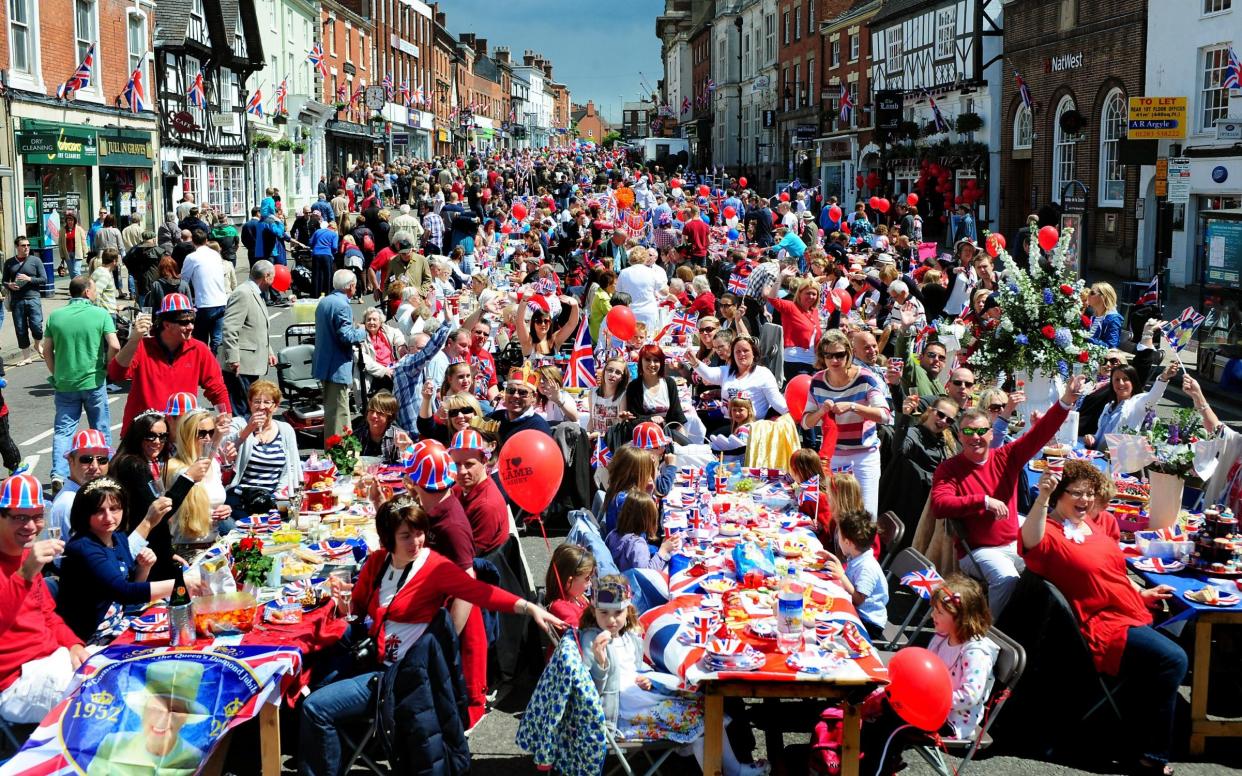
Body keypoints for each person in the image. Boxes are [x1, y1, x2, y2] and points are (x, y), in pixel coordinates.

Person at [299, 499, 562, 776]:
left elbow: (480, 592)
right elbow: (358, 610)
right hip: (373, 661)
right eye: (406, 535)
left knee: (316, 709)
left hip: (398, 678)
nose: (416, 541)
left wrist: (529, 607)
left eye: (419, 532)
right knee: (307, 684)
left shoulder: (434, 568)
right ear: (389, 538)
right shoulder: (378, 563)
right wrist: (344, 603)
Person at [1021, 461, 1184, 776]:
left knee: (1176, 638)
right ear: (1058, 494)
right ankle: (1150, 758)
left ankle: (1129, 730)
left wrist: (1141, 595)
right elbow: (1029, 539)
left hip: (1125, 609)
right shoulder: (1049, 533)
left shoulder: (1089, 525)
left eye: (1090, 494)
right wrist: (1042, 499)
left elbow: (1108, 576)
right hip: (1101, 625)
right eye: (1076, 493)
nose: (1085, 500)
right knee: (1174, 659)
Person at [930, 375, 1086, 616]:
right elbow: (940, 505)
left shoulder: (1005, 456)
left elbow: (1041, 433)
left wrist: (1066, 400)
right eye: (968, 432)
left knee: (1058, 563)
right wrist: (983, 501)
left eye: (982, 431)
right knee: (1007, 579)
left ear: (991, 434)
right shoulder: (949, 469)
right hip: (979, 550)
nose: (975, 437)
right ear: (960, 436)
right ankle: (990, 635)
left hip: (1014, 540)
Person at [580, 576, 766, 776]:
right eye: (604, 613)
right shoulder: (592, 639)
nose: (611, 620)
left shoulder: (625, 636)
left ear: (628, 610)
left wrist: (649, 678)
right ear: (594, 611)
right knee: (700, 720)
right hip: (621, 716)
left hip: (641, 699)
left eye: (618, 612)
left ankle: (731, 768)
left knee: (707, 706)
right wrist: (600, 663)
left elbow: (633, 667)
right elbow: (590, 690)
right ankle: (726, 769)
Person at [861, 575, 998, 773]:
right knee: (881, 708)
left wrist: (928, 700)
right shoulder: (942, 637)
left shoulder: (975, 652)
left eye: (940, 612)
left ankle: (875, 770)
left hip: (953, 719)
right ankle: (868, 761)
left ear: (961, 617)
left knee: (893, 728)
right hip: (925, 706)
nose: (933, 615)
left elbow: (970, 696)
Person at [0, 472, 89, 724]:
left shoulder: (24, 555)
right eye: (19, 517)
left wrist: (74, 644)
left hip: (52, 661)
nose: (30, 526)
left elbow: (48, 615)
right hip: (15, 682)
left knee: (118, 670)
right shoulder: (28, 563)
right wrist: (25, 574)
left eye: (37, 516)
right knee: (98, 696)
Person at [55, 478, 178, 640]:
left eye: (114, 509)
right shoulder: (82, 547)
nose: (108, 517)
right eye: (99, 511)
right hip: (93, 636)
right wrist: (181, 585)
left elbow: (130, 587)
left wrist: (143, 568)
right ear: (84, 513)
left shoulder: (117, 536)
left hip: (121, 620)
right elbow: (124, 592)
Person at [108, 293, 229, 435]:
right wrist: (134, 340)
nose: (190, 326)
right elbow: (116, 373)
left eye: (192, 320)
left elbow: (217, 389)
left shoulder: (199, 349)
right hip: (143, 434)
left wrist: (225, 417)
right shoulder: (141, 346)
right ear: (166, 324)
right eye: (184, 322)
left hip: (180, 434)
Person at [800, 330, 892, 517]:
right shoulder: (817, 381)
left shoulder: (865, 378)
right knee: (837, 515)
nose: (835, 360)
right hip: (834, 457)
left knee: (867, 516)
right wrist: (821, 411)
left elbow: (885, 416)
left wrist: (852, 406)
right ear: (822, 357)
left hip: (864, 456)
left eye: (840, 355)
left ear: (849, 354)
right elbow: (805, 423)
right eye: (829, 355)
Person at [44, 275, 119, 491]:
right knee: (100, 427)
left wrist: (56, 373)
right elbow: (114, 345)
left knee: (64, 431)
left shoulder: (56, 316)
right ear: (87, 292)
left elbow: (46, 350)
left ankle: (59, 473)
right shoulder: (100, 314)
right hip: (94, 380)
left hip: (65, 383)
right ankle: (105, 470)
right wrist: (106, 367)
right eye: (93, 290)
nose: (94, 293)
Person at [88, 660, 207, 776]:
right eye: (156, 708)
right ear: (143, 711)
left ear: (185, 718)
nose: (162, 718)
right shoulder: (112, 744)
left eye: (174, 710)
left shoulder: (196, 758)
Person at [222, 381, 302, 516]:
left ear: (275, 406)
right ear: (250, 403)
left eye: (267, 402)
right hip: (242, 497)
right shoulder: (238, 424)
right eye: (257, 402)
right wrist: (248, 429)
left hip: (272, 497)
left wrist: (278, 495)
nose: (261, 407)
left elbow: (292, 467)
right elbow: (223, 448)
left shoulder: (285, 430)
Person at [313, 270, 367, 437]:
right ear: (350, 286)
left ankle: (334, 453)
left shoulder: (325, 301)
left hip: (325, 363)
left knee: (332, 412)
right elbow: (346, 336)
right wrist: (362, 331)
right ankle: (339, 455)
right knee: (340, 415)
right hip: (336, 366)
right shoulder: (342, 305)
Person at [164, 409, 230, 543]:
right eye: (201, 433)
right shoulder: (176, 469)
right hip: (188, 548)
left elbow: (212, 502)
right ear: (187, 435)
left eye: (212, 432)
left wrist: (225, 510)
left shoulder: (214, 465)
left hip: (214, 543)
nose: (208, 438)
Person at [220, 261, 276, 418]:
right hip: (241, 364)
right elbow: (230, 328)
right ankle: (242, 439)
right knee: (242, 409)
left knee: (249, 405)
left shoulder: (256, 293)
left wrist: (269, 351)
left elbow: (258, 327)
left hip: (251, 363)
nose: (273, 282)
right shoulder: (243, 293)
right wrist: (233, 358)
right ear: (266, 276)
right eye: (273, 277)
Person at [686, 335, 787, 422]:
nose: (741, 354)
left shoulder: (764, 374)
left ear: (754, 353)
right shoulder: (727, 371)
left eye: (745, 351)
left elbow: (777, 402)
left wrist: (791, 415)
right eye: (737, 351)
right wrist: (694, 362)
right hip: (726, 419)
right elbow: (709, 374)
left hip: (750, 424)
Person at [822, 509, 888, 639]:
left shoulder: (867, 568)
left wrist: (841, 576)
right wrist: (833, 560)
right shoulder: (857, 556)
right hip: (856, 610)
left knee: (825, 625)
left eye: (839, 536)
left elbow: (858, 600)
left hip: (868, 622)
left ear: (847, 542)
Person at [447, 428, 509, 556]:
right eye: (456, 464)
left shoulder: (487, 505)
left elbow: (466, 558)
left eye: (469, 464)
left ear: (484, 461)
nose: (462, 471)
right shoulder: (460, 488)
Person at [49, 429, 112, 548]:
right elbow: (92, 552)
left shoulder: (89, 494)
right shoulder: (70, 502)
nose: (95, 466)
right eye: (86, 460)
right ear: (70, 461)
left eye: (102, 460)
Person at [605, 489, 679, 573]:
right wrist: (663, 550)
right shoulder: (637, 545)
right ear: (647, 520)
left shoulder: (612, 534)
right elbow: (647, 574)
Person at [4, 235, 47, 365]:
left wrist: (29, 279)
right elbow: (4, 281)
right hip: (17, 300)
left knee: (37, 326)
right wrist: (9, 285)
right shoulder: (9, 262)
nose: (26, 248)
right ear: (17, 247)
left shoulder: (35, 261)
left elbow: (44, 279)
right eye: (23, 245)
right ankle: (26, 357)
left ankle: (37, 344)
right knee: (20, 329)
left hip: (33, 297)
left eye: (28, 245)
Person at [623, 344, 687, 432]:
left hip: (667, 434)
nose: (652, 364)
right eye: (647, 360)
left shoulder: (669, 383)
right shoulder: (634, 387)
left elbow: (677, 417)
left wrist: (682, 443)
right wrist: (650, 419)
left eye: (656, 360)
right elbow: (633, 419)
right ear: (641, 361)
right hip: (643, 435)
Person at [543, 543, 596, 629]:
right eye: (587, 578)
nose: (590, 583)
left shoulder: (577, 596)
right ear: (569, 581)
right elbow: (579, 636)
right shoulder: (561, 608)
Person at [350, 391, 412, 464]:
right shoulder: (357, 436)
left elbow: (408, 464)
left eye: (379, 413)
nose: (374, 415)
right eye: (371, 411)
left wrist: (407, 449)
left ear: (389, 416)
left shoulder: (399, 436)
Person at [616, 247, 668, 331]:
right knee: (648, 339)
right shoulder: (652, 273)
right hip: (648, 312)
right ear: (644, 258)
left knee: (630, 340)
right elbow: (664, 292)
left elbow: (618, 292)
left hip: (630, 312)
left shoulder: (624, 273)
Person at [359, 307, 405, 392]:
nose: (371, 322)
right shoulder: (361, 336)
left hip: (392, 366)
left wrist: (401, 346)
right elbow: (366, 361)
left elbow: (397, 333)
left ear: (380, 322)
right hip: (376, 372)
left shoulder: (385, 330)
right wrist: (384, 371)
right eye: (368, 320)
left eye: (374, 319)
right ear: (364, 322)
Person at [309, 220, 340, 298]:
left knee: (316, 275)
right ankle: (328, 293)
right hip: (327, 254)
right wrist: (333, 253)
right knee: (328, 275)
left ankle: (315, 294)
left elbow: (310, 242)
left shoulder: (317, 231)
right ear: (334, 228)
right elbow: (334, 247)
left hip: (316, 254)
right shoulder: (334, 234)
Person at [58, 212, 89, 279]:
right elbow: (60, 244)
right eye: (68, 220)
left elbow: (84, 242)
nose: (70, 222)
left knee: (76, 271)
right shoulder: (62, 230)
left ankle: (81, 285)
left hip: (77, 254)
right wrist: (62, 255)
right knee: (72, 273)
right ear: (66, 221)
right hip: (67, 254)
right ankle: (74, 286)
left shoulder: (79, 229)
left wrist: (86, 253)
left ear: (74, 221)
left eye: (71, 220)